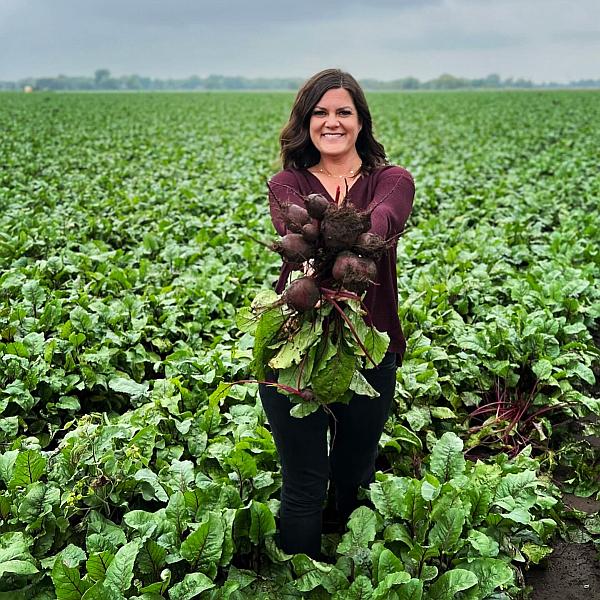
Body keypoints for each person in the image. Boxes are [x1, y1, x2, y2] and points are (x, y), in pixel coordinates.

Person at [259, 68, 414, 560]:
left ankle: (353, 579)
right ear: (305, 123)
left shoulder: (392, 181)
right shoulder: (288, 183)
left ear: (361, 122)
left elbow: (382, 223)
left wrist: (339, 232)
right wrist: (327, 235)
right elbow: (292, 225)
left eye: (343, 112)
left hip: (369, 345)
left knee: (354, 478)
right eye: (320, 113)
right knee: (303, 484)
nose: (332, 122)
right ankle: (299, 583)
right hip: (292, 349)